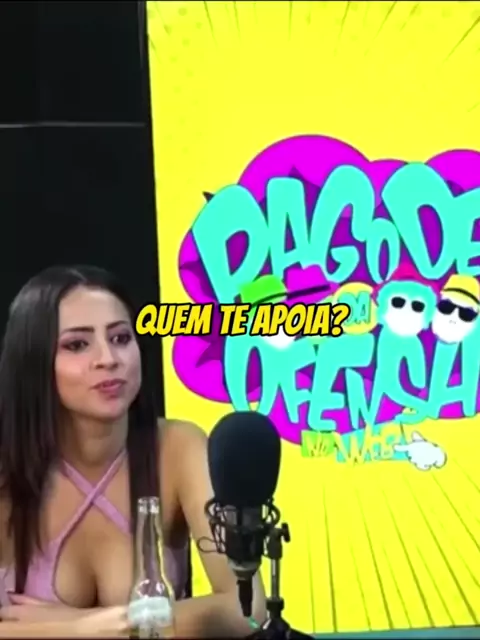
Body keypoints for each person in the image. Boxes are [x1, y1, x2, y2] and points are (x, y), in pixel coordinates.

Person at [0, 265, 266, 637]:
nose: (108, 358)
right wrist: (89, 630)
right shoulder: (7, 467)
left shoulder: (179, 448)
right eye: (77, 345)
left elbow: (247, 608)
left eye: (121, 338)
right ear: (33, 361)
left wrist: (95, 627)